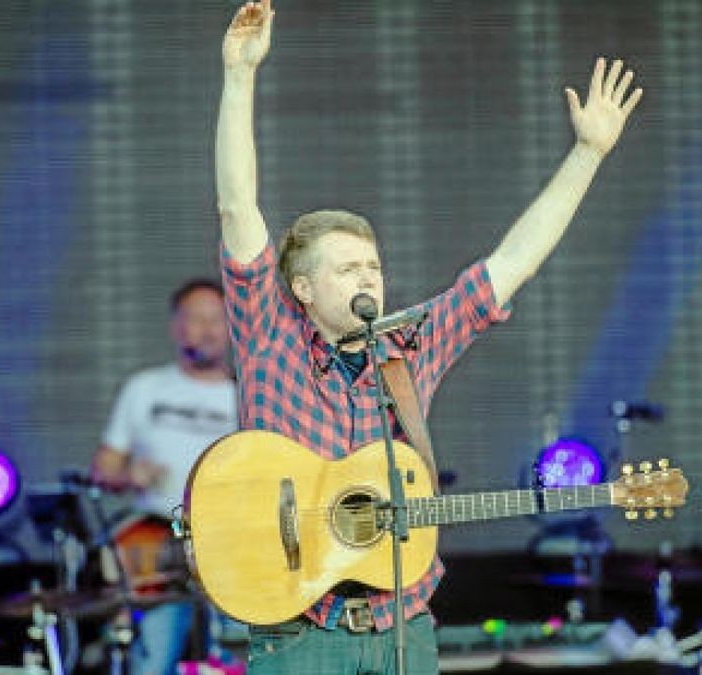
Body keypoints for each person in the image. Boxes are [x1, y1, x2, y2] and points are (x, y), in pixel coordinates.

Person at [213, 1, 643, 673]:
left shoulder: (407, 350)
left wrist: (588, 152)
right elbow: (238, 207)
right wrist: (239, 77)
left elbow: (511, 264)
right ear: (302, 288)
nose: (369, 277)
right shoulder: (271, 336)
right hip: (301, 635)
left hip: (403, 629)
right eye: (348, 267)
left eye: (374, 266)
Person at [91, 278, 240, 675]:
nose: (208, 329)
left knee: (237, 658)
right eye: (196, 319)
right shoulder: (144, 389)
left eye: (217, 319)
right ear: (177, 326)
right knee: (154, 661)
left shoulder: (248, 397)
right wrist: (127, 475)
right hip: (158, 551)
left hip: (233, 548)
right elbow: (102, 470)